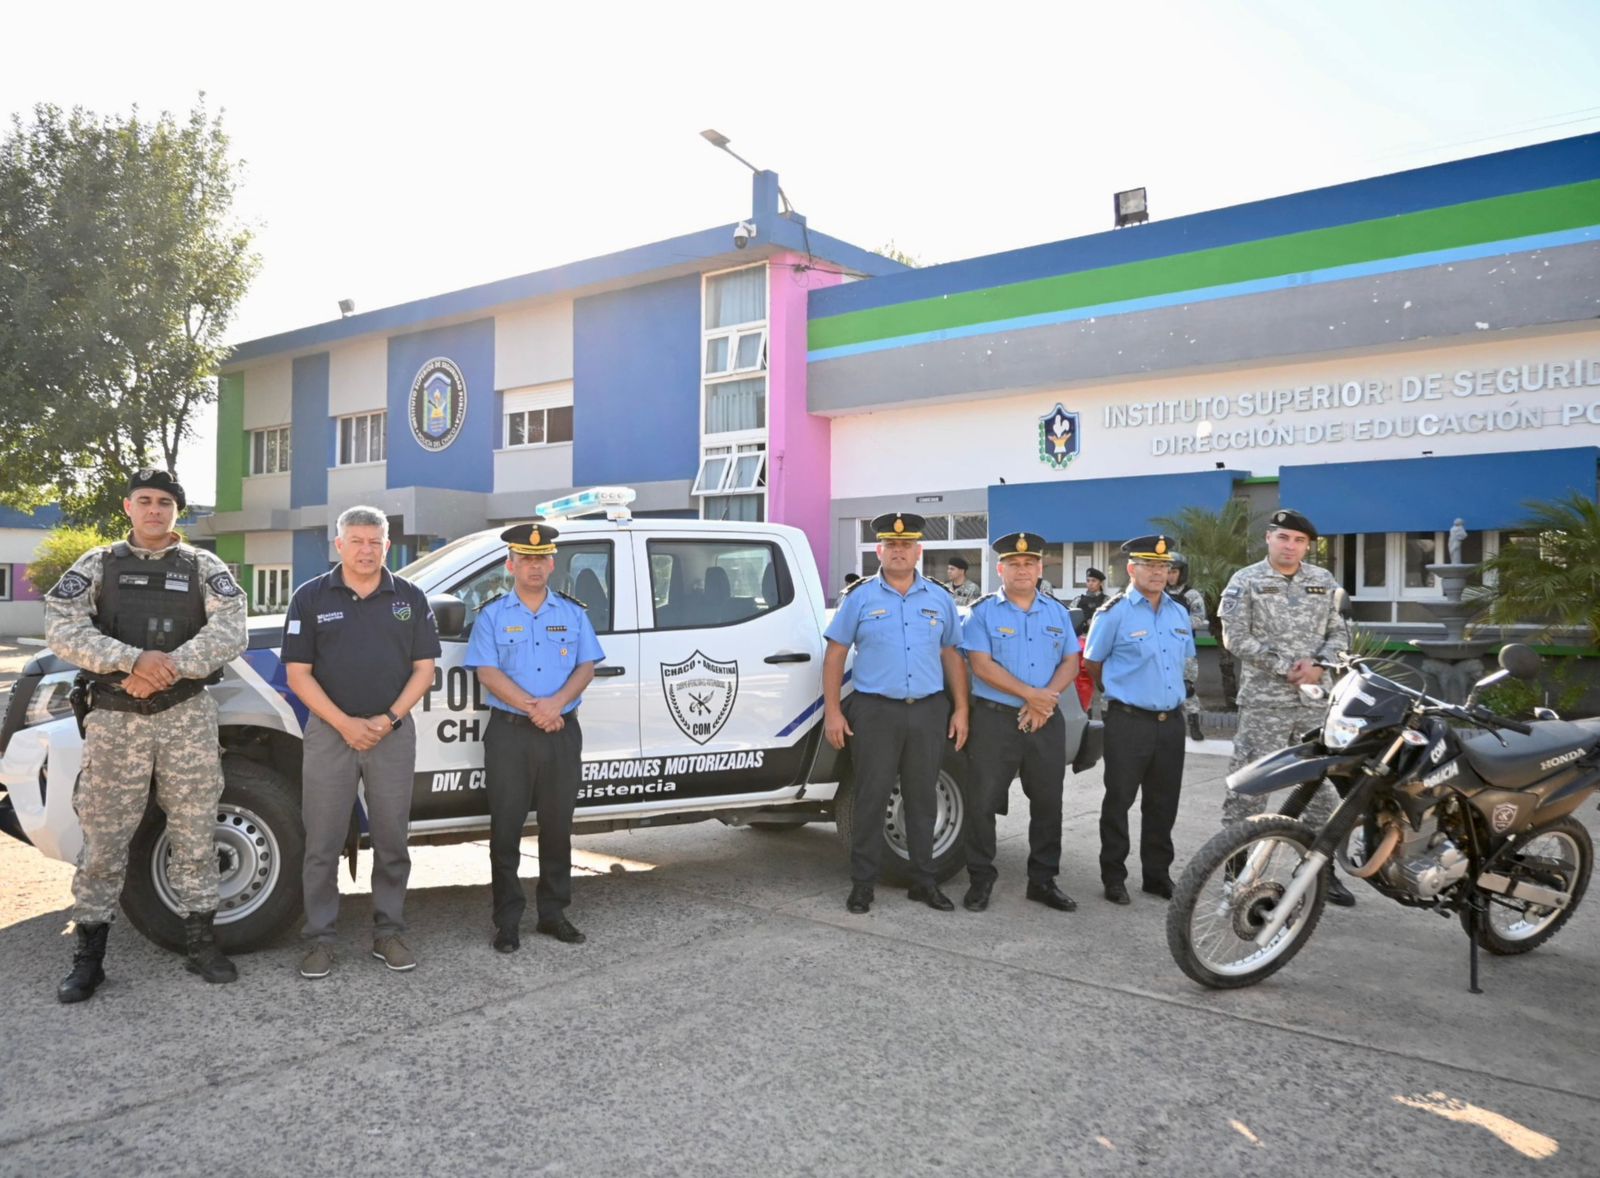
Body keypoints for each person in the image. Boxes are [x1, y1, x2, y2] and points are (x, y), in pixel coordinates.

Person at [47, 469, 248, 1003]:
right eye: (145, 500)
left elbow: (231, 630)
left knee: (195, 832)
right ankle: (89, 957)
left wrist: (164, 669)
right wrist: (131, 659)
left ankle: (201, 945)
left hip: (185, 716)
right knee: (103, 840)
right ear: (128, 507)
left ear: (177, 511)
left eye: (165, 502)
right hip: (116, 720)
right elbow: (62, 626)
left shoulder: (204, 567)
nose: (155, 509)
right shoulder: (98, 564)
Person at [282, 506, 440, 977]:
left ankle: (389, 932)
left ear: (387, 545)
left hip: (391, 735)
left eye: (374, 541)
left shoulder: (410, 597)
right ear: (339, 545)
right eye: (356, 541)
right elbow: (298, 675)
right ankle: (319, 938)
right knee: (323, 841)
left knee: (392, 839)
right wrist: (346, 724)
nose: (366, 550)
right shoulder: (310, 597)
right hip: (330, 734)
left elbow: (424, 671)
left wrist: (388, 719)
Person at [466, 522, 604, 952]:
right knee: (506, 829)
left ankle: (553, 913)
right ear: (510, 565)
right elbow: (487, 672)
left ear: (552, 564)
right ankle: (507, 920)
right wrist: (537, 709)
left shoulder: (572, 613)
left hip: (561, 732)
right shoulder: (492, 615)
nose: (534, 566)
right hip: (510, 735)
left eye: (542, 559)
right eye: (526, 559)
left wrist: (556, 705)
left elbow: (586, 667)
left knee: (558, 826)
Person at [823, 511, 969, 914]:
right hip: (875, 713)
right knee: (870, 798)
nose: (899, 551)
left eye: (906, 545)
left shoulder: (939, 598)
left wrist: (961, 709)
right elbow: (835, 654)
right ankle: (863, 884)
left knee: (922, 799)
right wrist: (833, 712)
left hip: (928, 711)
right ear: (879, 550)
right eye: (892, 545)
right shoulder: (860, 597)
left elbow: (951, 655)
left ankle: (924, 881)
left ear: (919, 551)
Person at [1219, 508, 1355, 907]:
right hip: (1266, 704)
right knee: (1250, 789)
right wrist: (1285, 667)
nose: (1290, 546)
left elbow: (1340, 633)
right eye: (1283, 538)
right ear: (1269, 538)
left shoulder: (1323, 581)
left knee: (1322, 791)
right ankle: (1235, 870)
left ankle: (1319, 872)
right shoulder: (1245, 580)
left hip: (1314, 703)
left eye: (1299, 541)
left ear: (1307, 546)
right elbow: (1234, 638)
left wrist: (1320, 664)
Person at [959, 532, 1082, 913]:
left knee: (1048, 803)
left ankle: (1042, 880)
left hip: (1045, 719)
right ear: (1000, 570)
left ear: (1040, 568)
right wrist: (1032, 695)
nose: (1022, 570)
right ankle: (980, 878)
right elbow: (981, 666)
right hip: (995, 721)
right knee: (982, 802)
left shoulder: (1057, 612)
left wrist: (1044, 701)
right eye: (1014, 564)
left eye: (1029, 563)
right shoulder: (982, 613)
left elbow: (1071, 662)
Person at [1081, 535, 1195, 905]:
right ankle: (1114, 876)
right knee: (1119, 801)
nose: (1158, 572)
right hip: (1129, 721)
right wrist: (1121, 690)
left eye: (1164, 566)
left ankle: (1157, 876)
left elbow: (1184, 661)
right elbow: (1092, 662)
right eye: (1150, 565)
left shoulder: (1178, 612)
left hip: (1170, 722)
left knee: (1163, 803)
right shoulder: (1113, 612)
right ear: (1132, 569)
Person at [1166, 553, 1210, 743]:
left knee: (1187, 687)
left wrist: (1176, 625)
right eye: (1168, 571)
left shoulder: (1191, 595)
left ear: (1181, 573)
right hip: (1161, 648)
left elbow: (1199, 619)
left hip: (1184, 649)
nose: (1170, 576)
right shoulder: (1158, 593)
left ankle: (1194, 723)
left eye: (1174, 572)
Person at [1070, 569, 1108, 637]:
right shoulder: (1078, 600)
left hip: (1099, 637)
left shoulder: (1107, 601)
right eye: (1088, 581)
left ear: (1101, 583)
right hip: (1080, 638)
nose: (1090, 583)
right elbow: (1069, 619)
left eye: (1094, 581)